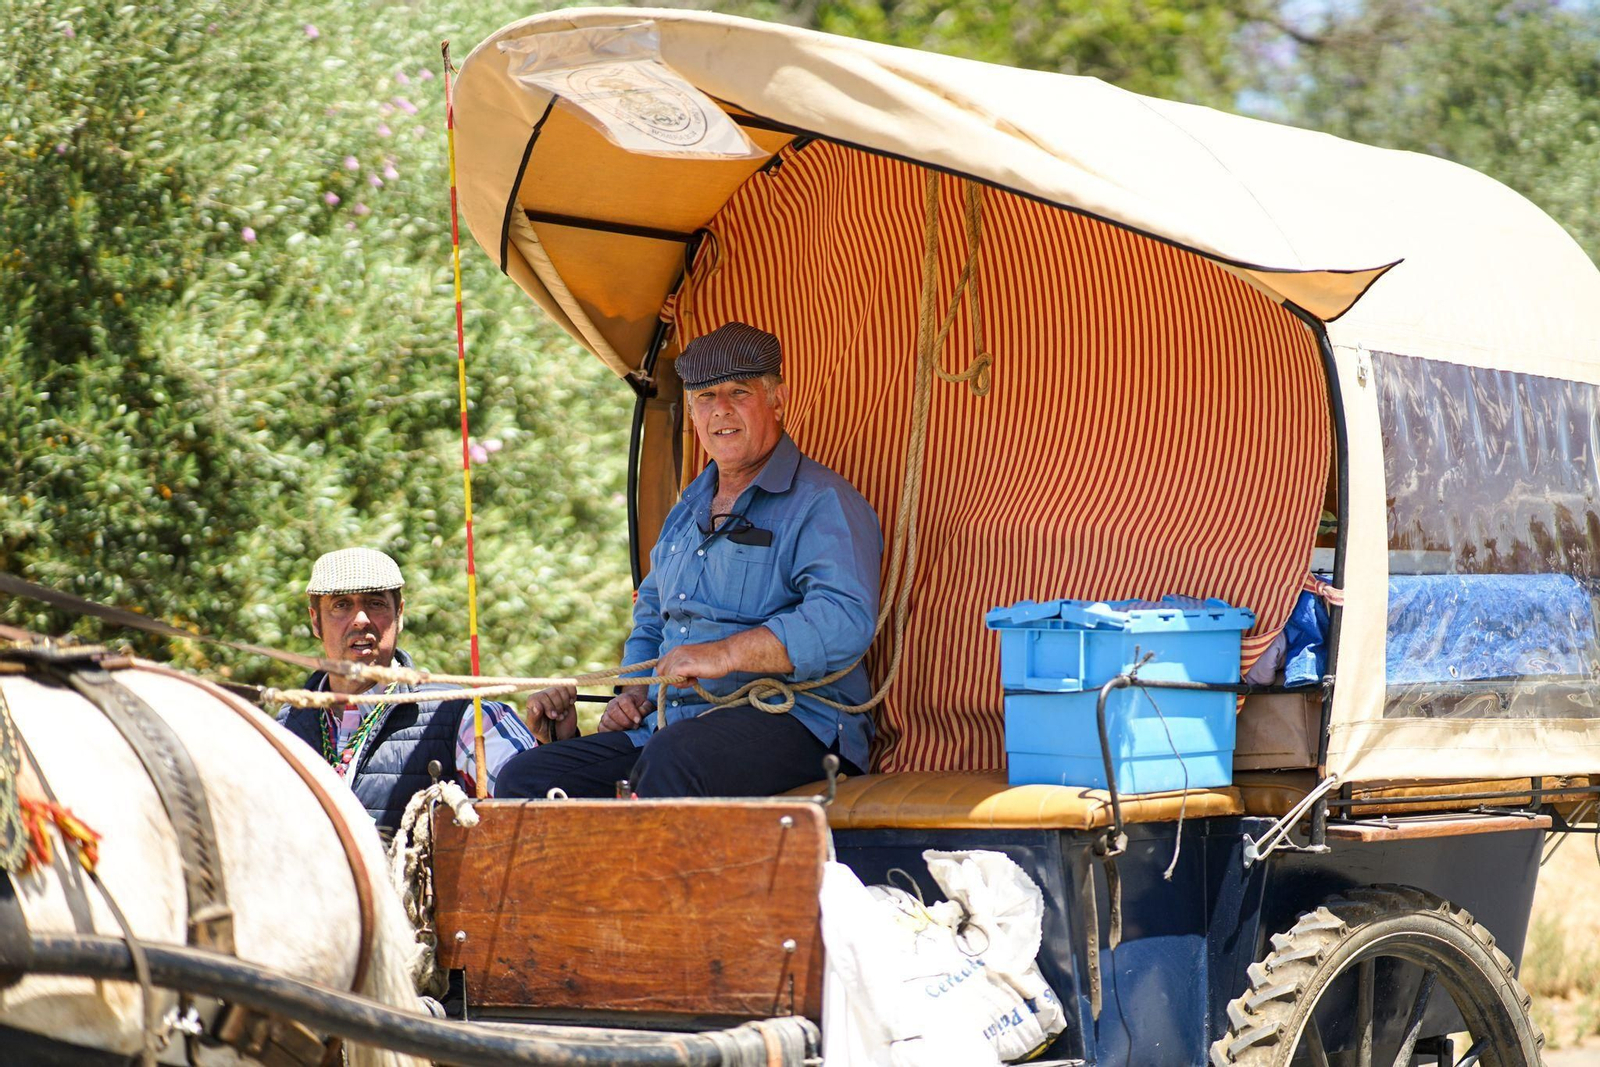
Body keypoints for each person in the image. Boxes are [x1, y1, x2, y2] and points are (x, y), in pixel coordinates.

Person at [498, 321, 883, 799]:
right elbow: (651, 622)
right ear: (694, 415)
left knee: (675, 757)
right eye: (704, 396)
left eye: (738, 392)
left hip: (799, 724)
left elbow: (843, 621)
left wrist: (724, 654)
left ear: (778, 399)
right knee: (525, 778)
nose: (720, 408)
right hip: (674, 726)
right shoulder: (684, 514)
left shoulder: (822, 502)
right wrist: (633, 695)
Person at [277, 547, 576, 831]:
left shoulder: (465, 715)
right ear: (315, 621)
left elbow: (546, 812)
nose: (361, 619)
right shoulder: (284, 726)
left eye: (376, 603)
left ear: (400, 615)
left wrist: (549, 748)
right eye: (341, 605)